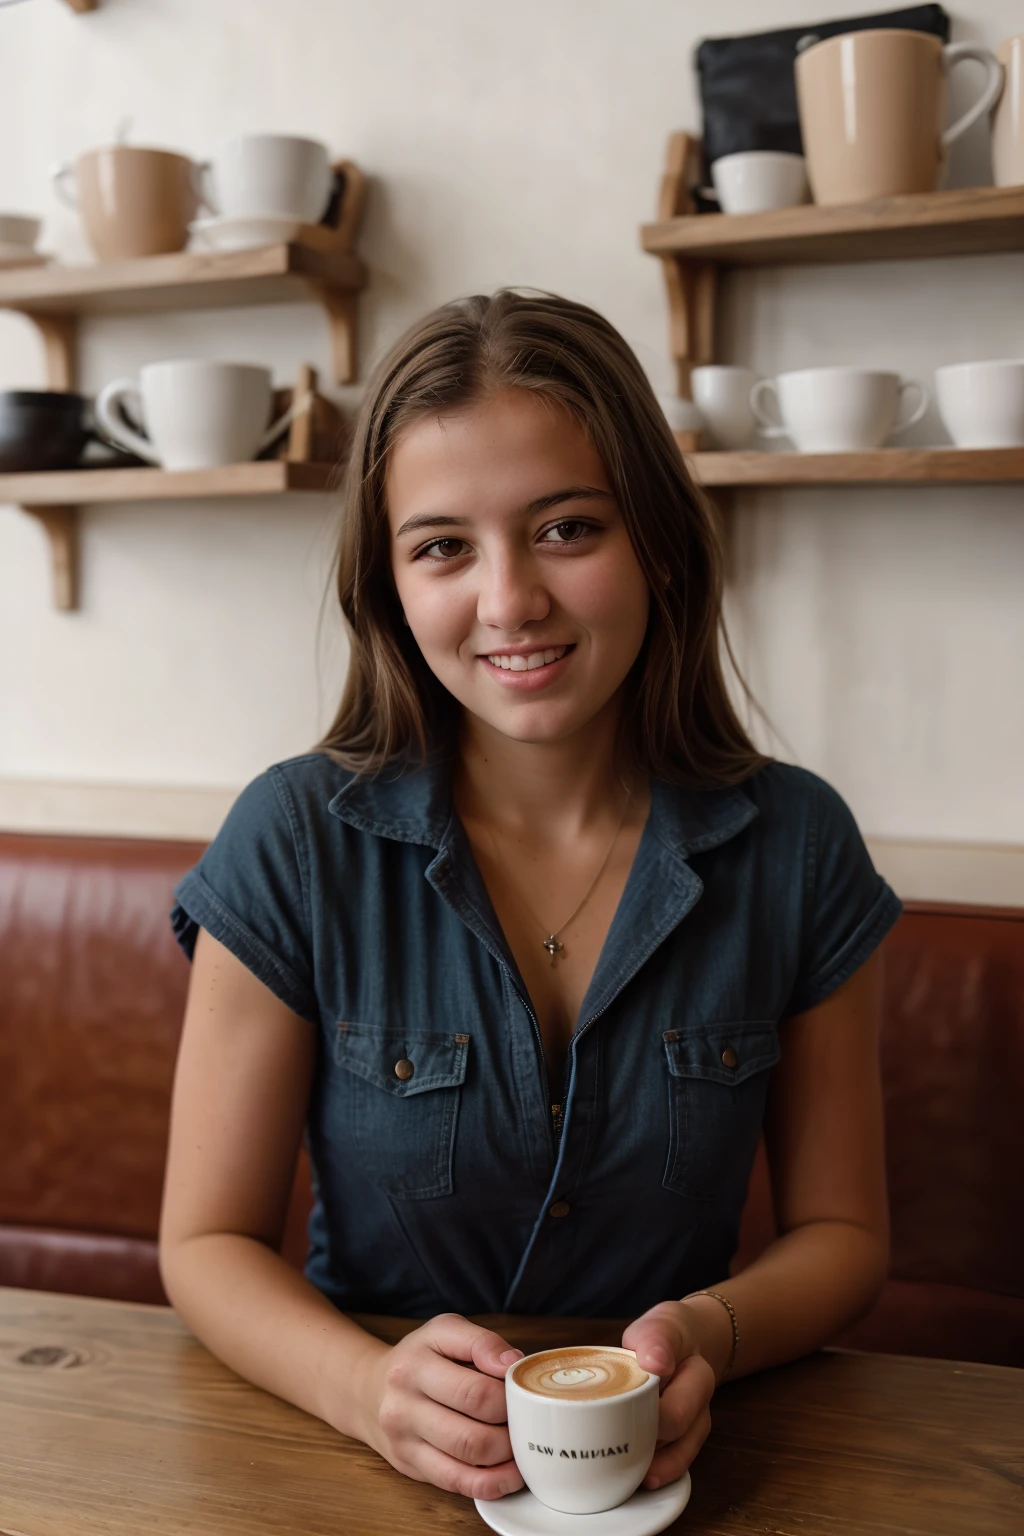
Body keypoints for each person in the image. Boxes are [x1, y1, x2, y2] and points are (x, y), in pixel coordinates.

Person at [160, 289, 900, 1503]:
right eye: (442, 545)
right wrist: (368, 1390)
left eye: (564, 529)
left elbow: (844, 1237)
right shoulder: (291, 839)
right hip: (357, 1467)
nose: (509, 602)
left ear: (656, 543)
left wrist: (705, 1337)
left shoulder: (799, 843)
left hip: (681, 1475)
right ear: (391, 586)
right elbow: (205, 1245)